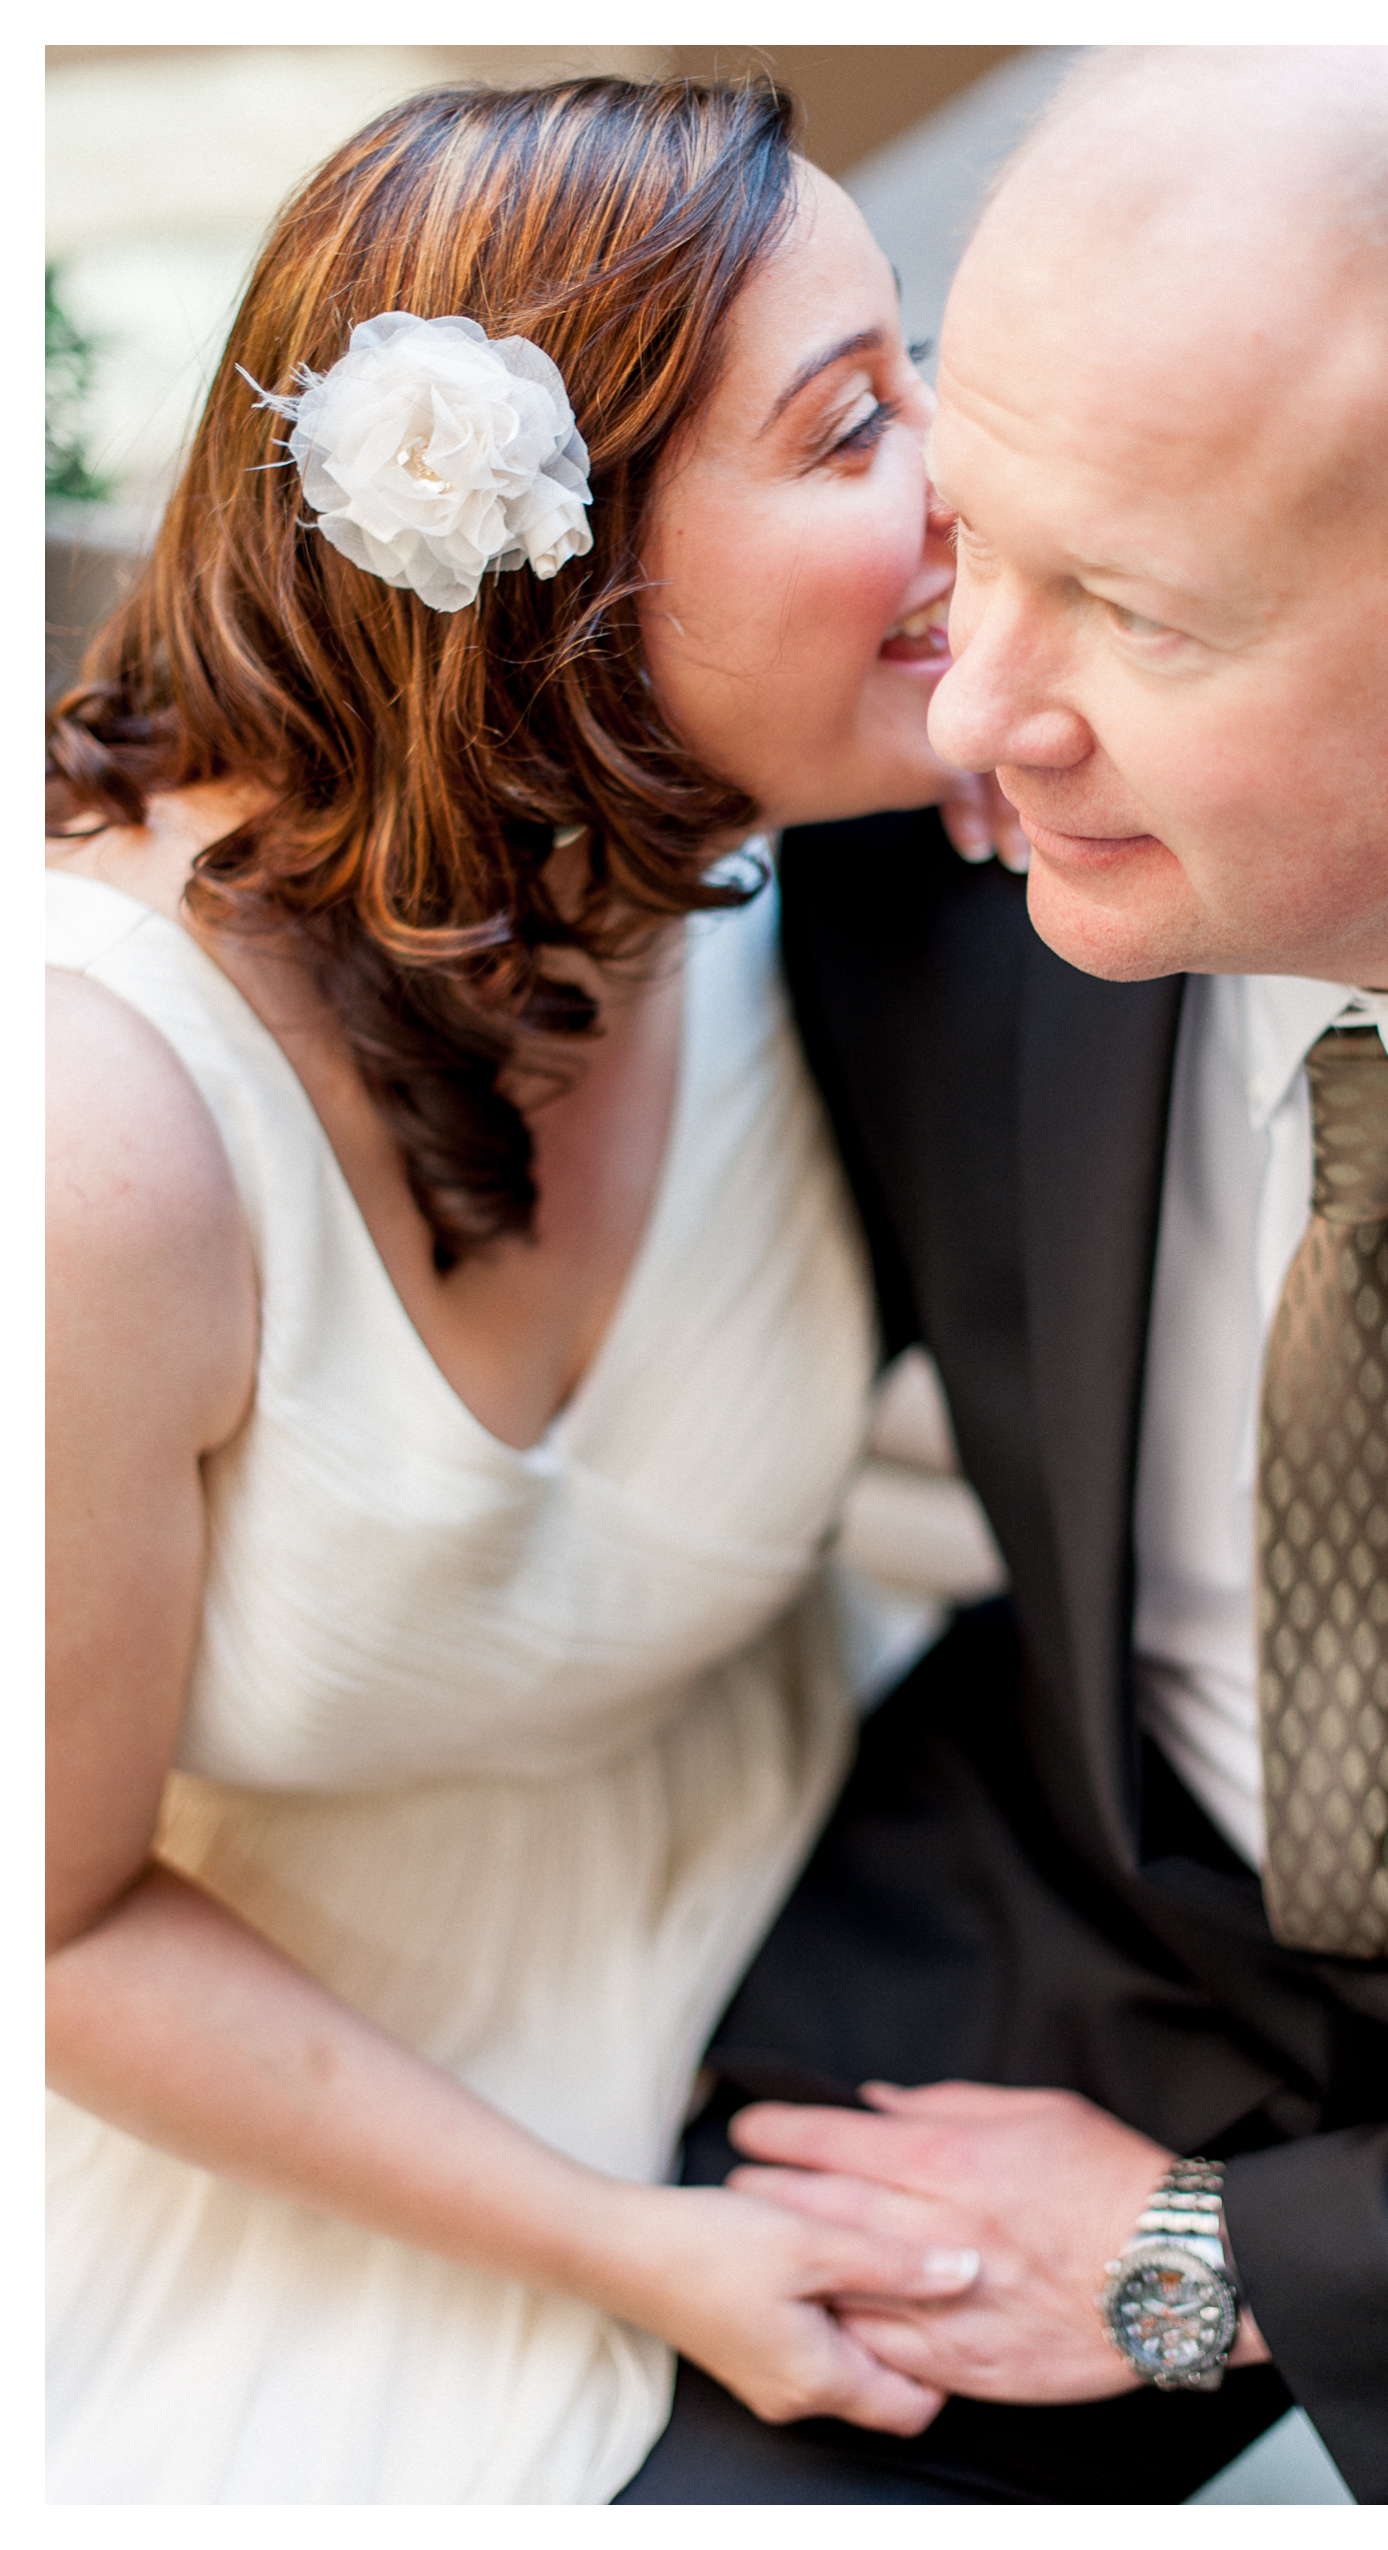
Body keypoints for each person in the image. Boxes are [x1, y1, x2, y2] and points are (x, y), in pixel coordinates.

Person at [614, 47, 1388, 2507]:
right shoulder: (915, 871)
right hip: (1009, 2004)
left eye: (1141, 612)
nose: (979, 706)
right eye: (976, 535)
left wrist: (1216, 2259)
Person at [44, 78, 1020, 2500]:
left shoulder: (876, 870)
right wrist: (622, 2243)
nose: (968, 482)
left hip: (838, 1934)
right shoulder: (90, 1145)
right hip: (287, 2118)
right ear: (558, 579)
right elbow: (41, 1932)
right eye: (851, 427)